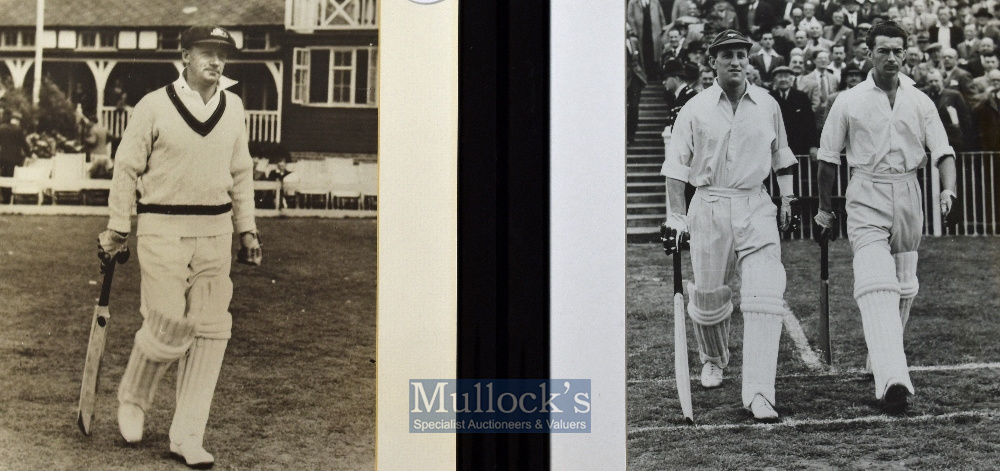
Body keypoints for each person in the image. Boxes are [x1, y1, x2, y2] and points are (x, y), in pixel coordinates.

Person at [96, 25, 262, 468]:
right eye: (206, 52)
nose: (215, 61)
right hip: (161, 228)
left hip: (215, 232)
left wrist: (247, 229)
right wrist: (117, 226)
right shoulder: (153, 106)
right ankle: (133, 397)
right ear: (184, 55)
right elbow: (127, 169)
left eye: (222, 54)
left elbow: (241, 172)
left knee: (211, 332)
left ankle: (188, 435)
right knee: (167, 321)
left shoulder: (234, 107)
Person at [814, 21, 957, 414]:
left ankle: (879, 357)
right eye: (883, 50)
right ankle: (894, 377)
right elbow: (828, 158)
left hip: (909, 191)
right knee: (876, 281)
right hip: (865, 191)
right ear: (868, 53)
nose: (891, 57)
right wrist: (825, 208)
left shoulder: (920, 100)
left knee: (905, 285)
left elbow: (943, 151)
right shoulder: (849, 100)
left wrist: (947, 189)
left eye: (897, 50)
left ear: (907, 53)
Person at [661, 29, 798, 422]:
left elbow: (781, 155)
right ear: (712, 63)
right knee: (708, 297)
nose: (736, 61)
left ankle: (758, 391)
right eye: (727, 56)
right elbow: (676, 167)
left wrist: (786, 197)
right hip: (710, 203)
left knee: (765, 294)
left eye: (741, 54)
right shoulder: (695, 108)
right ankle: (714, 359)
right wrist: (676, 215)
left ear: (749, 60)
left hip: (756, 203)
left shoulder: (768, 104)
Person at [771, 65, 819, 157]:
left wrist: (813, 145)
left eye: (786, 76)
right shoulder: (770, 98)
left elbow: (810, 123)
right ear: (775, 80)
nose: (783, 79)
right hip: (777, 147)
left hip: (800, 146)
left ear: (791, 79)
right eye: (780, 77)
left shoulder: (801, 97)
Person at [0, 111, 28, 203]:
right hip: (14, 158)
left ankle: (4, 197)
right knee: (12, 176)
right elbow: (24, 144)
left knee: (4, 176)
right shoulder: (18, 130)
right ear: (17, 120)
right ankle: (10, 198)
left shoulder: (1, 128)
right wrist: (30, 153)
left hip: (2, 157)